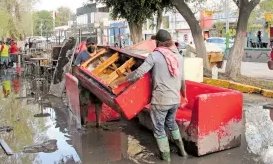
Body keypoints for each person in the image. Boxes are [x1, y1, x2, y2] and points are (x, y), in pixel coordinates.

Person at [109, 29, 188, 161]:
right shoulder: (178, 57)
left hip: (161, 100)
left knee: (159, 129)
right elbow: (182, 81)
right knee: (172, 123)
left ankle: (166, 158)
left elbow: (138, 73)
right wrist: (184, 96)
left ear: (158, 42)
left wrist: (119, 81)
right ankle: (183, 152)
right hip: (175, 100)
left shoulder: (155, 56)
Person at [73, 37, 103, 128]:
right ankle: (85, 123)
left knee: (98, 103)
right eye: (89, 44)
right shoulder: (81, 55)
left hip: (97, 83)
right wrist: (78, 79)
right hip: (84, 83)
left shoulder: (100, 55)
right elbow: (75, 68)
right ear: (86, 45)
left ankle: (99, 123)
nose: (91, 46)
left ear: (96, 45)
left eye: (93, 44)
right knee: (84, 103)